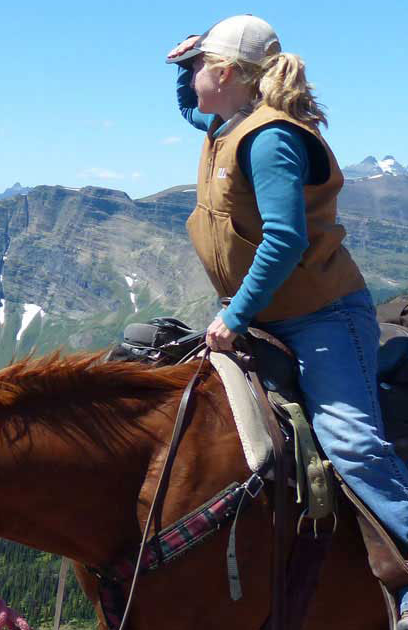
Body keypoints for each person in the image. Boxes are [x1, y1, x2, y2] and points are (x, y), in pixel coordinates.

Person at [166, 14, 408, 626]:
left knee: (353, 445)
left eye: (199, 68)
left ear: (224, 74)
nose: (194, 76)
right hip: (271, 313)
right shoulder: (229, 125)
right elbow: (193, 115)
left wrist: (235, 313)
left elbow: (284, 239)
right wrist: (177, 74)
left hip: (321, 318)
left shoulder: (269, 140)